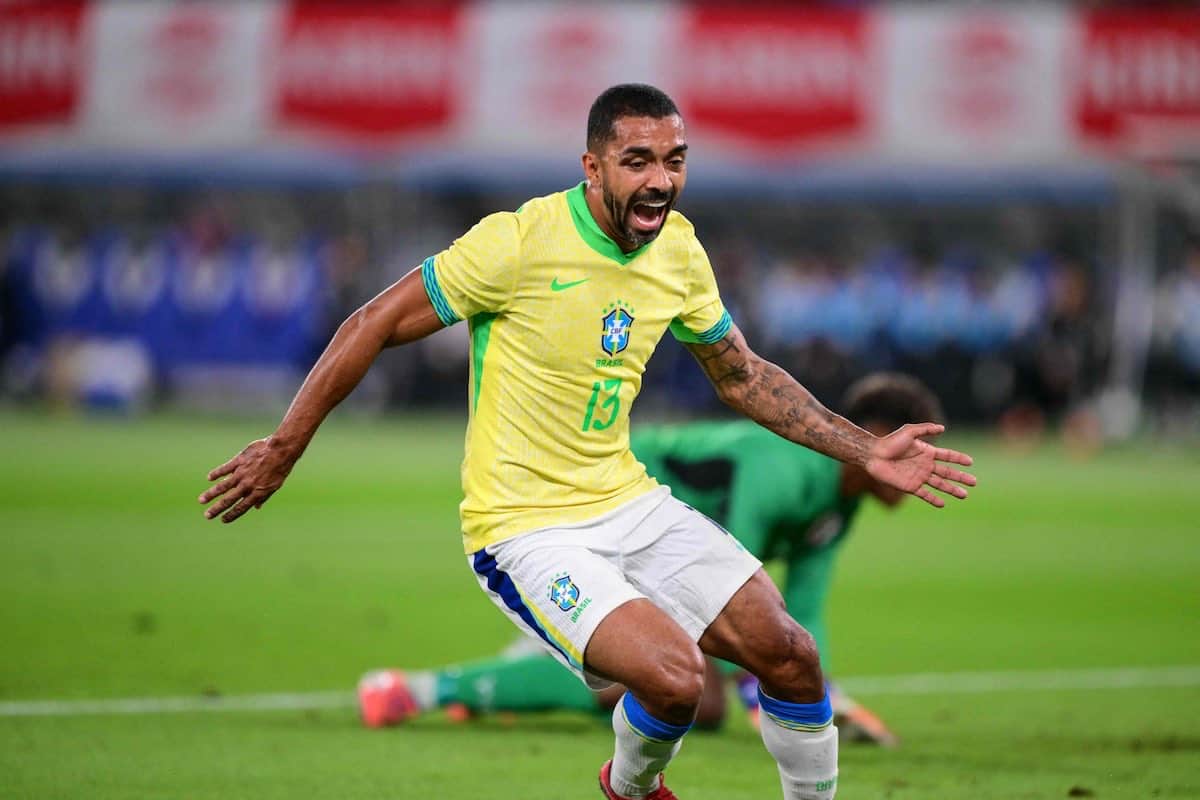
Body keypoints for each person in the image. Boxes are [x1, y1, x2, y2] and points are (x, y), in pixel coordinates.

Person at [199, 84, 976, 800]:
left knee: (793, 657)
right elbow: (371, 324)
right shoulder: (518, 243)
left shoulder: (678, 251)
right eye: (637, 161)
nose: (659, 181)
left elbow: (740, 376)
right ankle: (630, 790)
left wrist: (863, 450)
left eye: (674, 161)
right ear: (593, 165)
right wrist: (284, 445)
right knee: (676, 680)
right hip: (526, 530)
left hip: (629, 501)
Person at [357, 372, 943, 748]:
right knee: (684, 689)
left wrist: (819, 697)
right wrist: (760, 693)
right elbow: (726, 579)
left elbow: (803, 613)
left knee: (686, 697)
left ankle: (517, 678)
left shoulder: (840, 504)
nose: (924, 467)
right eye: (917, 449)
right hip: (608, 511)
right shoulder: (786, 466)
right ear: (871, 435)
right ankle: (426, 690)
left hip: (660, 543)